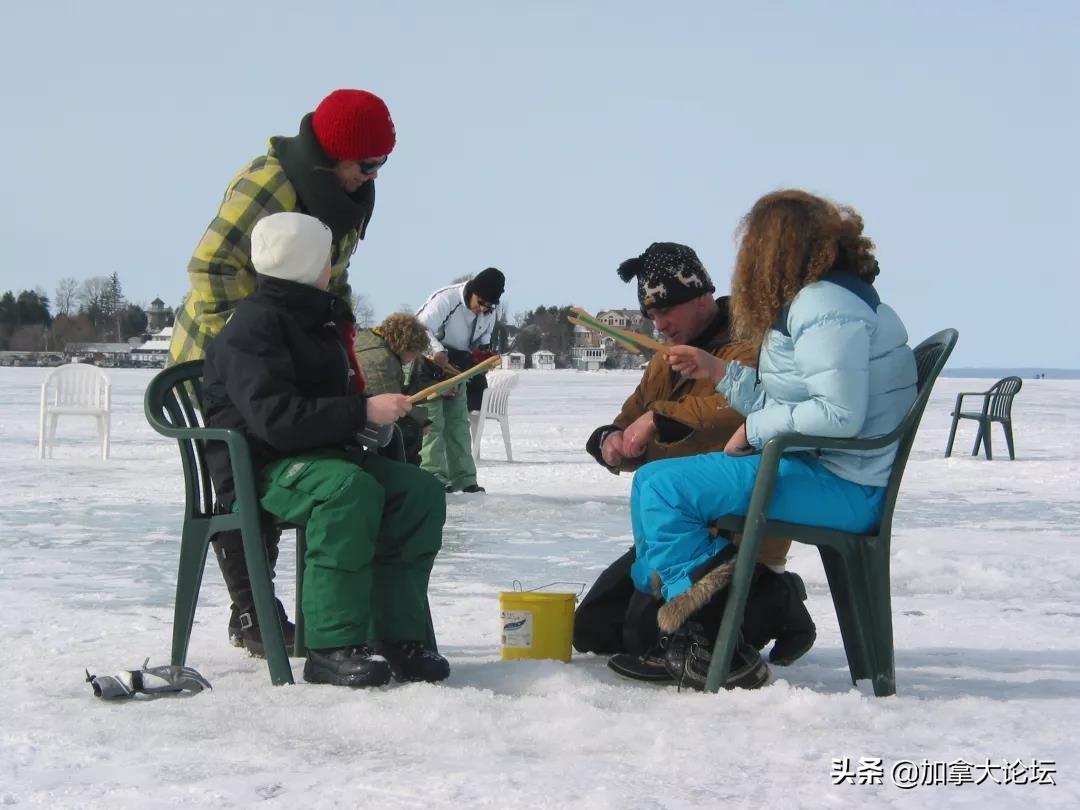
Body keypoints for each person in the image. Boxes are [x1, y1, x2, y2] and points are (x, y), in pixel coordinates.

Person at [633, 190, 917, 690]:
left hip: (843, 487)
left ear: (775, 249)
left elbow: (837, 414)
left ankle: (711, 638)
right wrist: (720, 371)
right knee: (654, 491)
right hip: (829, 470)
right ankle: (695, 631)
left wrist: (753, 429)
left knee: (661, 488)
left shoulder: (823, 305)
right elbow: (797, 399)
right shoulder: (834, 297)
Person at [169, 88, 396, 655]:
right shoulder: (269, 184)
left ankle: (301, 616)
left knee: (293, 455)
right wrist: (250, 348)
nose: (373, 177)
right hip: (224, 351)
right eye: (366, 165)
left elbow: (331, 279)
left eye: (382, 166)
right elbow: (211, 266)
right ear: (334, 153)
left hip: (290, 345)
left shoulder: (348, 194)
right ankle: (253, 613)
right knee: (243, 474)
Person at [202, 212, 449, 687]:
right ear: (308, 262)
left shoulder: (315, 320)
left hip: (319, 456)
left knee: (418, 492)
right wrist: (361, 413)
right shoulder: (252, 329)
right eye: (326, 256)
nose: (332, 265)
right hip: (262, 469)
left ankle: (395, 634)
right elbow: (276, 422)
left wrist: (367, 421)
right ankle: (330, 644)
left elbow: (320, 404)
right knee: (347, 491)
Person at [576, 242, 814, 685]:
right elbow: (627, 420)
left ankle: (774, 598)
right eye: (652, 315)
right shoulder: (665, 360)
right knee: (594, 630)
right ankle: (769, 600)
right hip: (677, 531)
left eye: (668, 310)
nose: (660, 324)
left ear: (702, 297)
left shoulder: (747, 347)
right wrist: (612, 441)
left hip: (737, 531)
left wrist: (659, 419)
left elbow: (739, 410)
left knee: (647, 637)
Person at [415, 268, 505, 493]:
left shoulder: (488, 312)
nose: (483, 309)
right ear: (472, 291)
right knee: (433, 424)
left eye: (489, 306)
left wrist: (483, 356)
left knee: (458, 425)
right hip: (427, 364)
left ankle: (464, 479)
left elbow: (481, 342)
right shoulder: (446, 299)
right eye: (481, 302)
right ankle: (432, 476)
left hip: (458, 368)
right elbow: (419, 329)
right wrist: (436, 353)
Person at [354, 313, 433, 465]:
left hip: (353, 405)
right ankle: (399, 473)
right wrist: (422, 421)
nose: (413, 358)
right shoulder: (382, 360)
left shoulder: (368, 338)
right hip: (352, 413)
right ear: (406, 345)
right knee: (407, 430)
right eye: (414, 353)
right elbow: (391, 400)